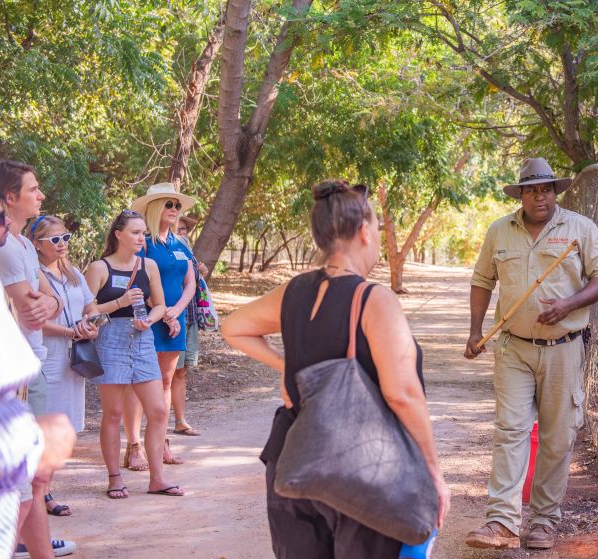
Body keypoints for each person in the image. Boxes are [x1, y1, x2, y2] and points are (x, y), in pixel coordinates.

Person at [222, 179, 450, 558]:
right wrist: (434, 472)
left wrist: (288, 366)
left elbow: (234, 327)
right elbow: (402, 393)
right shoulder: (374, 299)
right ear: (364, 231)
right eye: (377, 228)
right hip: (361, 469)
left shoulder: (293, 290)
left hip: (293, 461)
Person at [463, 158, 598, 551]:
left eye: (546, 189)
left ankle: (544, 521)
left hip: (564, 349)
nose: (539, 196)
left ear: (555, 192)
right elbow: (482, 281)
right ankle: (502, 521)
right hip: (514, 347)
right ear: (521, 195)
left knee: (556, 438)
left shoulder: (580, 228)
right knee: (510, 430)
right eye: (531, 190)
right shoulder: (500, 231)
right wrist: (476, 330)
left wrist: (568, 304)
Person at [0, 160, 77, 557]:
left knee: (35, 480)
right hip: (12, 376)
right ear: (9, 197)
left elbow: (49, 297)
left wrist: (49, 300)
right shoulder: (3, 246)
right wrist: (44, 302)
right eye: (33, 189)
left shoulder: (21, 244)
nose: (41, 195)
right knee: (26, 481)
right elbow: (30, 305)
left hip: (30, 367)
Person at [84, 210, 184, 498]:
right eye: (136, 233)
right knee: (113, 414)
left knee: (158, 410)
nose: (142, 238)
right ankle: (115, 478)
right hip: (111, 340)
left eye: (143, 233)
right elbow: (87, 310)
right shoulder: (99, 268)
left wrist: (151, 320)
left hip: (142, 340)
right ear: (119, 234)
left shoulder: (148, 265)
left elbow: (160, 305)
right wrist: (119, 302)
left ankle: (157, 479)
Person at [122, 183, 197, 466]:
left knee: (166, 381)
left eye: (177, 206)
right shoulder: (144, 243)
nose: (175, 210)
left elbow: (190, 283)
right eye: (169, 204)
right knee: (141, 382)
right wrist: (161, 310)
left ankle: (160, 441)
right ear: (155, 208)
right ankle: (134, 445)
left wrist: (176, 311)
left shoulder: (181, 245)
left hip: (174, 321)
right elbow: (138, 279)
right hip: (149, 319)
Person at [31, 215, 101, 516]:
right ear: (37, 244)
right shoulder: (34, 274)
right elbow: (35, 320)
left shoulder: (73, 273)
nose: (63, 244)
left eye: (66, 238)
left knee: (63, 427)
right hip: (49, 355)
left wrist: (91, 324)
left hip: (75, 358)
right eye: (55, 240)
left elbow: (90, 305)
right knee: (45, 427)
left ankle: (44, 487)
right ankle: (42, 494)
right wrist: (69, 331)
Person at [172, 215, 207, 436]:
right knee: (163, 372)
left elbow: (191, 285)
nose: (181, 233)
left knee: (181, 371)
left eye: (183, 229)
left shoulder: (187, 250)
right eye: (178, 229)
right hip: (169, 315)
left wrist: (199, 272)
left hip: (189, 316)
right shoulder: (155, 247)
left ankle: (179, 420)